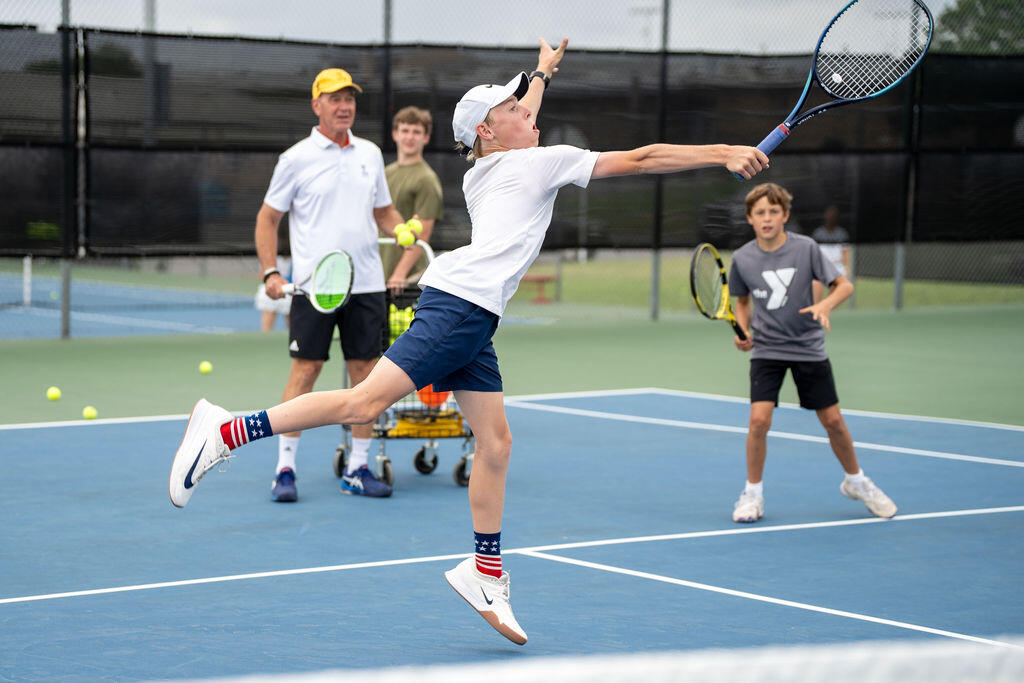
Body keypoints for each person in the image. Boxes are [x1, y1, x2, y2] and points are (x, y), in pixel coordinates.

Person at [170, 37, 768, 645]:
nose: (529, 113)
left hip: (475, 316)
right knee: (363, 404)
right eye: (515, 109)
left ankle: (485, 573)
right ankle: (224, 432)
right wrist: (725, 152)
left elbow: (520, 117)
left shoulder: (487, 165)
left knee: (497, 443)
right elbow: (640, 159)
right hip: (459, 309)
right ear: (488, 128)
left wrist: (540, 74)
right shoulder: (535, 163)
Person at [254, 67, 409, 502]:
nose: (344, 106)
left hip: (367, 285)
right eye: (334, 98)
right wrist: (270, 272)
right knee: (306, 372)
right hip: (313, 288)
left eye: (350, 99)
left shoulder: (371, 154)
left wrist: (402, 230)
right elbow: (268, 218)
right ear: (316, 104)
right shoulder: (296, 158)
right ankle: (284, 469)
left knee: (366, 377)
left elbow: (384, 212)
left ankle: (358, 468)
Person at [727, 182, 896, 524]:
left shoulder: (806, 249)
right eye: (760, 212)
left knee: (833, 421)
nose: (767, 218)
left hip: (808, 347)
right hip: (767, 350)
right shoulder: (742, 258)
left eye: (774, 211)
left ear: (785, 215)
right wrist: (743, 332)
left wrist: (825, 305)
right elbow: (742, 303)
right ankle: (752, 494)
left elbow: (844, 285)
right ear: (749, 218)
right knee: (759, 421)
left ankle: (856, 482)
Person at [380, 106, 443, 294]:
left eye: (416, 132)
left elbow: (422, 234)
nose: (410, 137)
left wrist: (399, 275)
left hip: (405, 282)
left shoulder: (427, 179)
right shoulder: (384, 173)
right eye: (405, 130)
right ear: (394, 134)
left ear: (426, 138)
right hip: (378, 274)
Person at [811, 205, 851, 303]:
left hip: (837, 266)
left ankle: (826, 307)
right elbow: (813, 252)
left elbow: (845, 251)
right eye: (828, 216)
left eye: (833, 216)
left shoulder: (842, 234)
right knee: (816, 284)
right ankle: (816, 309)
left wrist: (846, 268)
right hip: (821, 265)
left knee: (840, 286)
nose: (830, 218)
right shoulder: (818, 233)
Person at [254, 255, 292, 331]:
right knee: (268, 317)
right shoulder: (270, 256)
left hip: (290, 291)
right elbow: (262, 275)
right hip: (272, 289)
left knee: (292, 325)